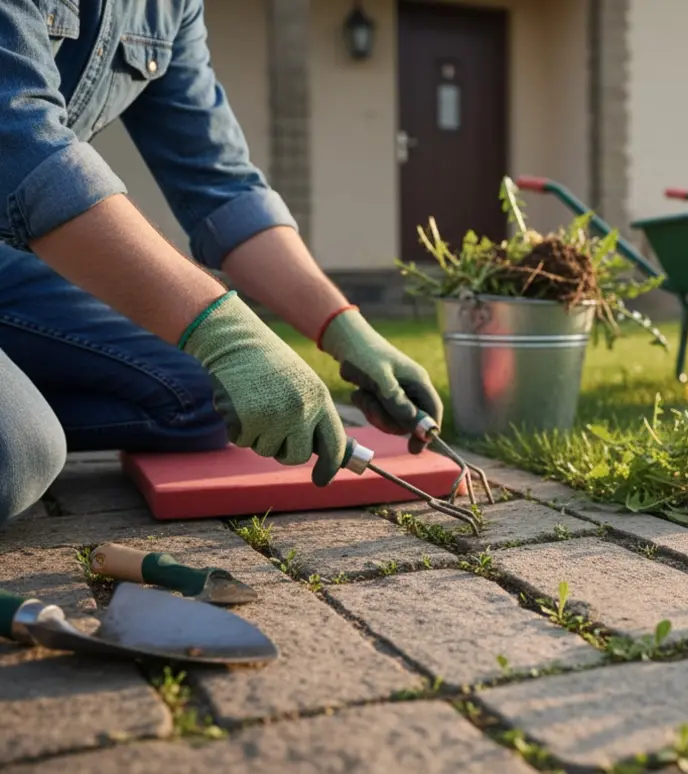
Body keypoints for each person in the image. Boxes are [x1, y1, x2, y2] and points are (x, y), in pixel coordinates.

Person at [0, 0, 441, 527]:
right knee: (20, 456)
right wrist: (228, 334)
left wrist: (346, 330)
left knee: (204, 398)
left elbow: (220, 186)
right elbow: (20, 140)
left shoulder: (170, 9)